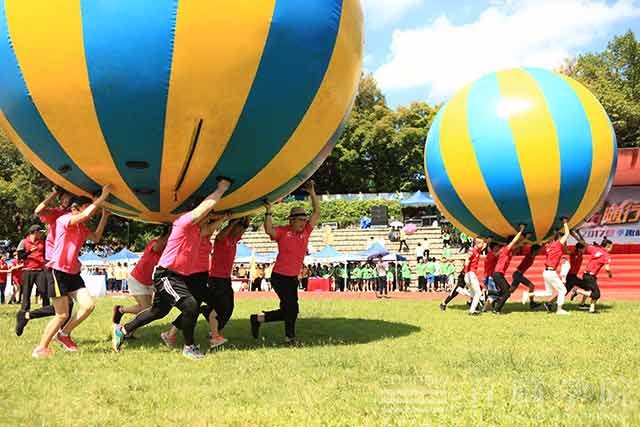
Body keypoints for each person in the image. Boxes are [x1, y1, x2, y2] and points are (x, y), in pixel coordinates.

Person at [111, 178, 231, 359]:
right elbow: (203, 210)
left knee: (157, 312)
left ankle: (124, 329)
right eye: (207, 214)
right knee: (191, 306)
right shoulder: (183, 223)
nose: (209, 217)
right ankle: (189, 347)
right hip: (166, 276)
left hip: (179, 277)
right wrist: (221, 190)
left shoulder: (198, 231)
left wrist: (224, 218)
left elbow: (209, 228)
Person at [32, 185, 112, 358]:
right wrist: (103, 196)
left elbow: (96, 237)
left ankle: (64, 335)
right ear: (75, 208)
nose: (90, 212)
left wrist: (104, 217)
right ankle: (41, 348)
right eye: (86, 207)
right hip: (58, 271)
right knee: (62, 314)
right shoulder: (65, 220)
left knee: (89, 306)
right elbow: (86, 214)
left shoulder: (81, 228)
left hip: (73, 273)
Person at [250, 181, 320, 345]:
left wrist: (312, 191)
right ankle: (290, 338)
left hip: (292, 278)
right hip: (280, 277)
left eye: (304, 219)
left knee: (289, 310)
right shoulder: (283, 231)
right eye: (300, 220)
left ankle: (259, 319)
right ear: (292, 220)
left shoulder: (306, 232)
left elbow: (317, 212)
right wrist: (268, 211)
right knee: (292, 309)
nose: (304, 222)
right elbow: (268, 230)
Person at [111, 229, 170, 325]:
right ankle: (123, 316)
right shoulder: (155, 242)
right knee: (146, 309)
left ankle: (124, 317)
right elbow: (156, 248)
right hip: (137, 279)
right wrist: (171, 232)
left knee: (147, 309)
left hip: (149, 282)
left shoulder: (168, 249)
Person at [537, 219, 571, 315]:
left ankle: (529, 294)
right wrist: (565, 222)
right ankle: (559, 310)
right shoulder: (558, 244)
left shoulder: (549, 246)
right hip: (551, 272)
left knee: (548, 292)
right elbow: (567, 234)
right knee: (563, 290)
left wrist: (554, 234)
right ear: (559, 238)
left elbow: (565, 249)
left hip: (547, 272)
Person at [491, 225, 526, 314]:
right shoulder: (506, 249)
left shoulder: (508, 252)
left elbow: (517, 246)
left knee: (507, 290)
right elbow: (514, 242)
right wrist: (521, 230)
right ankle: (496, 309)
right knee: (506, 293)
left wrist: (525, 239)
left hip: (499, 274)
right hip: (498, 274)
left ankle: (496, 301)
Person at [572, 236, 612, 314]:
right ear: (607, 246)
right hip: (590, 276)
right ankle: (577, 291)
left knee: (589, 289)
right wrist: (610, 274)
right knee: (596, 294)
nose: (611, 249)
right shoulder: (606, 255)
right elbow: (607, 269)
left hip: (586, 274)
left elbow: (583, 242)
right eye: (611, 247)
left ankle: (588, 307)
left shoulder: (595, 249)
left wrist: (574, 234)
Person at [16, 225, 47, 313]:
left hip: (40, 270)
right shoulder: (24, 242)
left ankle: (46, 309)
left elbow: (45, 255)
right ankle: (25, 310)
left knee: (44, 291)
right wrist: (30, 251)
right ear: (35, 232)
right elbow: (20, 257)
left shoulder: (42, 243)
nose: (41, 234)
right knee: (26, 292)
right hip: (27, 270)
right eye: (40, 232)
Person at [511, 244, 543, 309]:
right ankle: (532, 303)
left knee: (511, 290)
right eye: (539, 250)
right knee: (531, 286)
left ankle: (497, 297)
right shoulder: (529, 256)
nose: (540, 252)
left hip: (518, 274)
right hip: (518, 274)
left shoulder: (532, 256)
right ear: (535, 250)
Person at [462, 237, 487, 315]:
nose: (483, 245)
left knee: (474, 294)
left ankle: (472, 310)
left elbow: (485, 245)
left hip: (470, 274)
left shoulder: (477, 250)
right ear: (478, 243)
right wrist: (466, 271)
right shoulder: (472, 250)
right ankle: (472, 310)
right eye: (482, 243)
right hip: (470, 274)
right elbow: (467, 259)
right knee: (478, 293)